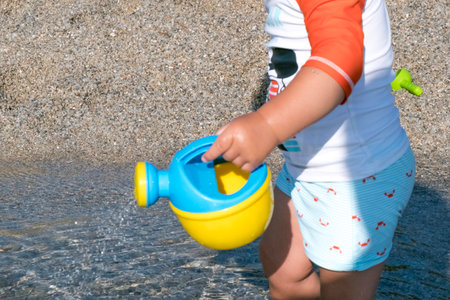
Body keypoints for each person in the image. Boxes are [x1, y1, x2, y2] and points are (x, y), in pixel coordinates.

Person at [202, 0, 416, 298]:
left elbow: (340, 59)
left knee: (343, 292)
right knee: (283, 270)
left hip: (358, 177)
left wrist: (267, 125)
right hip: (306, 166)